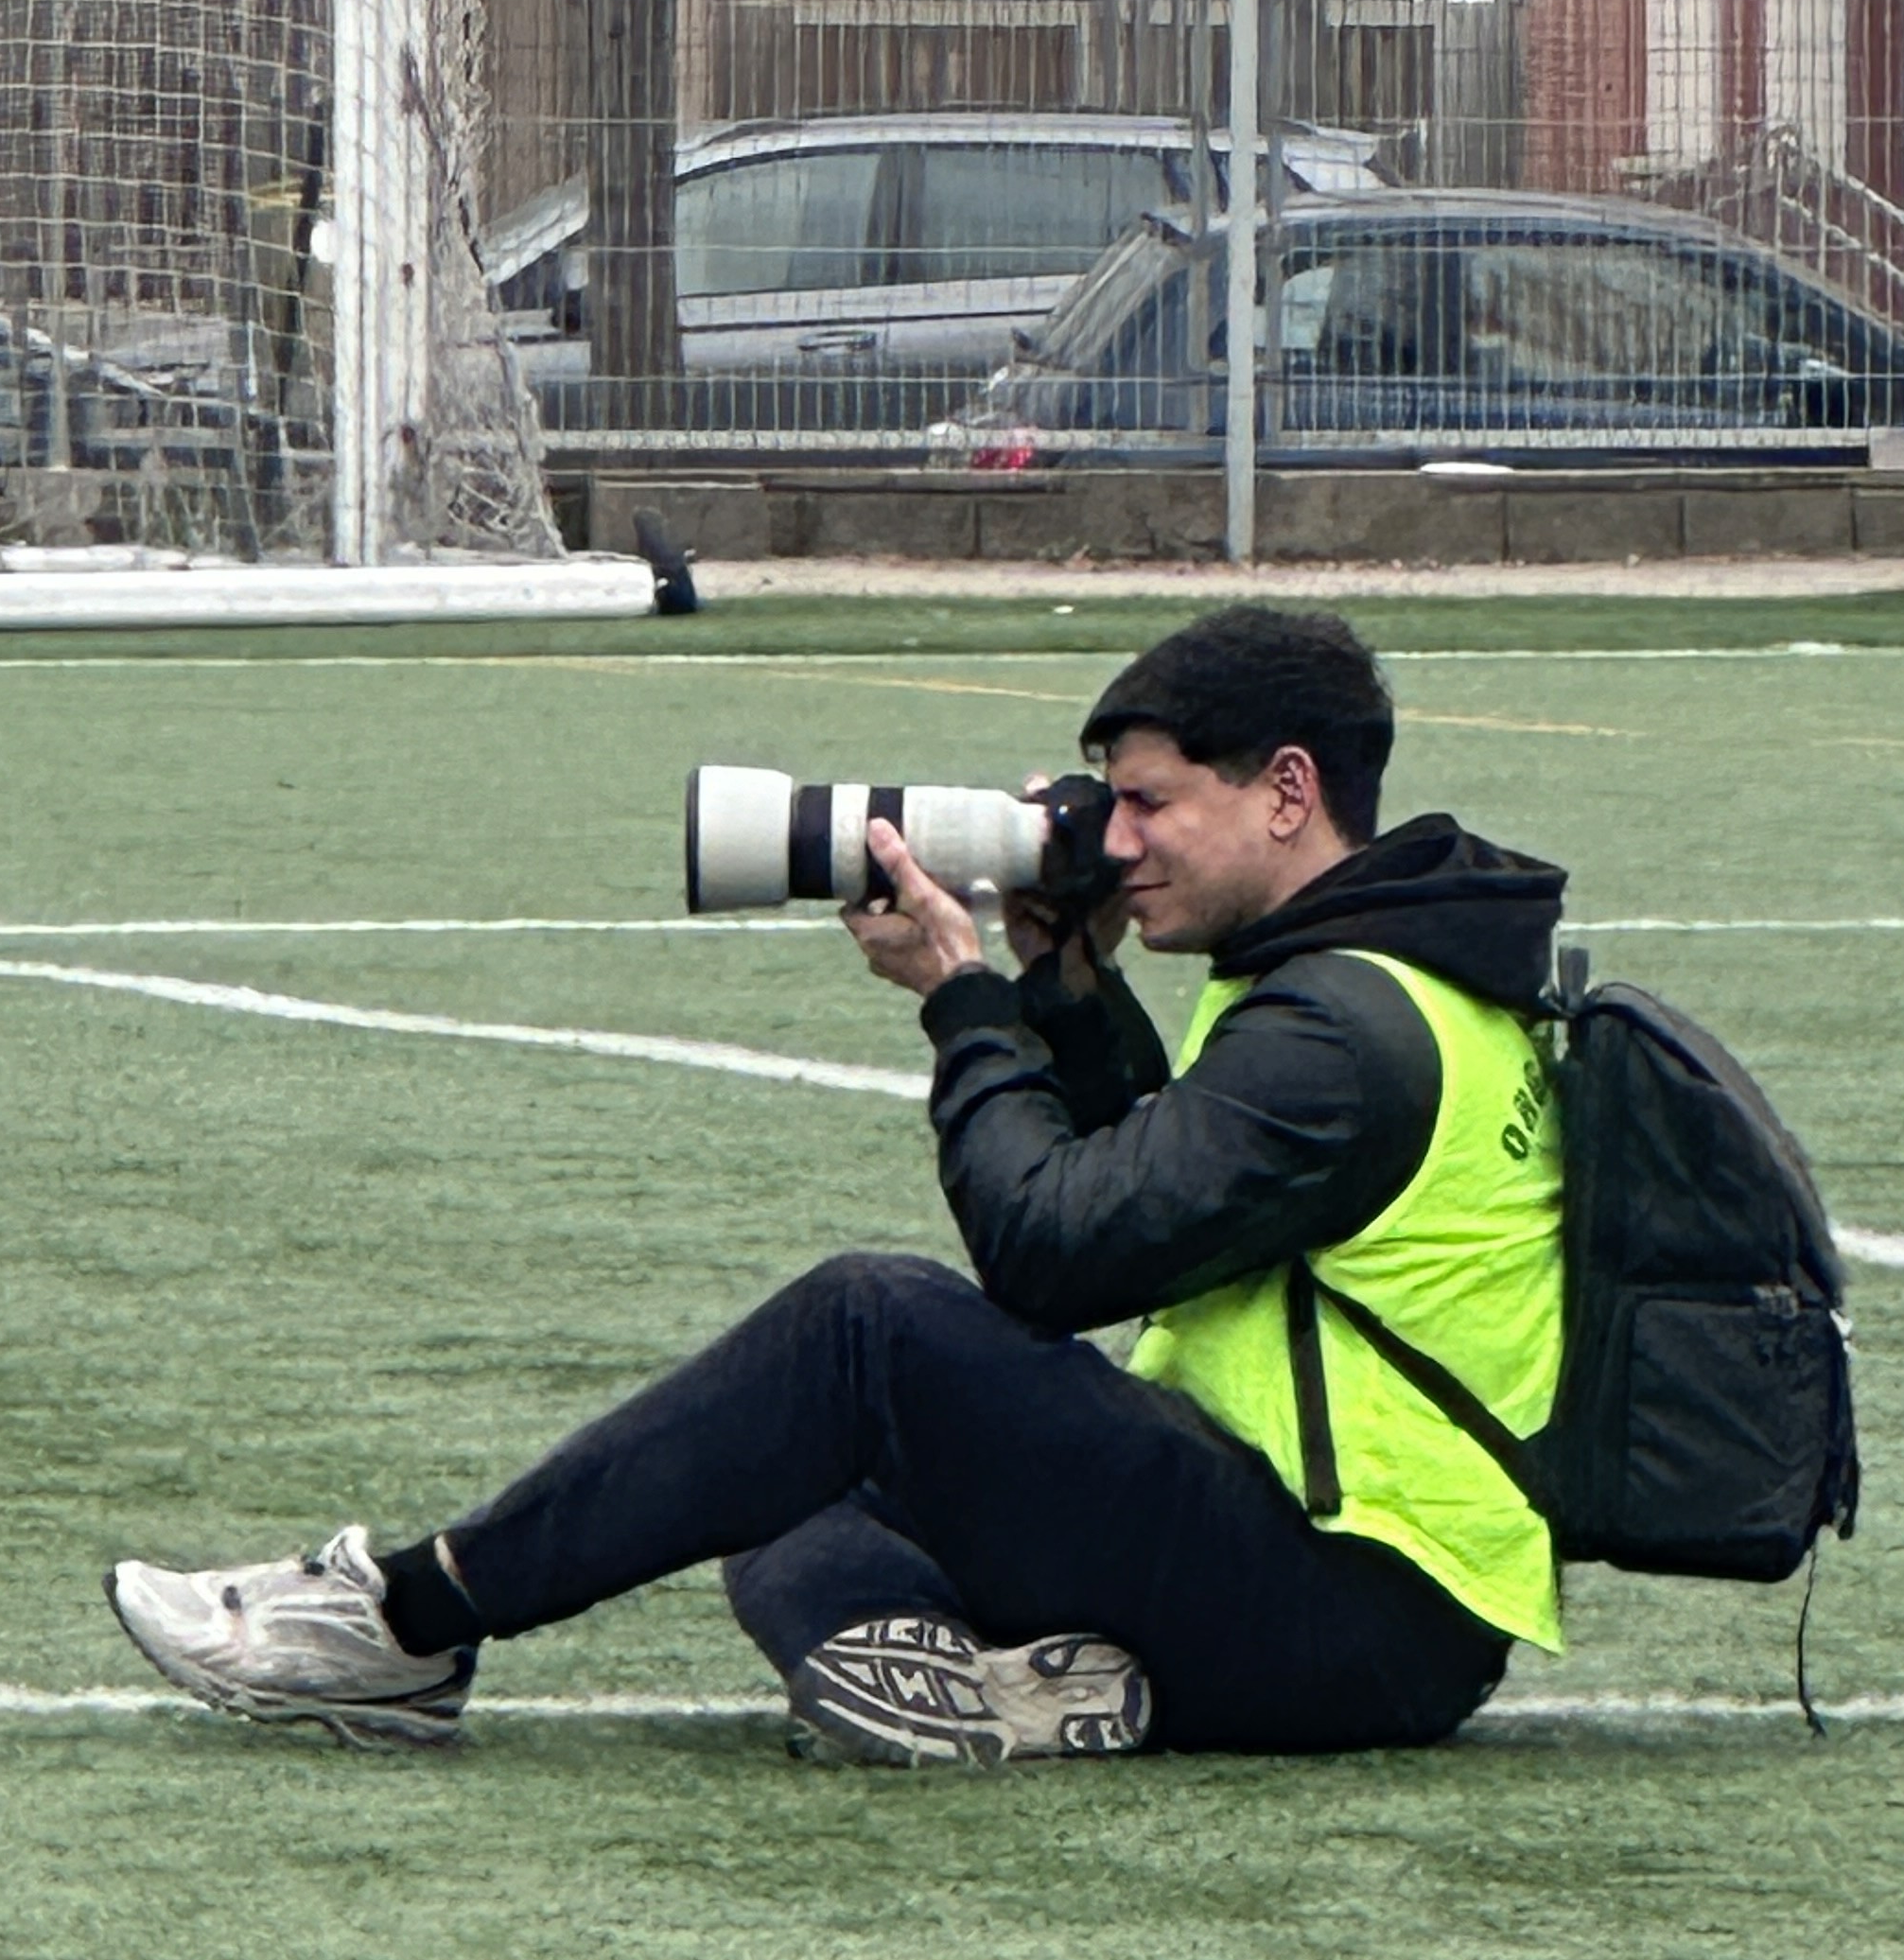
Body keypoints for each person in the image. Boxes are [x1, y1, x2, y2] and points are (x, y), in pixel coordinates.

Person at [106, 604, 1570, 1766]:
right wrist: (1059, 985)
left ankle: (403, 1624)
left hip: (1361, 1608)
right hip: (1317, 1579)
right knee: (788, 1491)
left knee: (864, 1326)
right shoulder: (1377, 987)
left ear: (1287, 793)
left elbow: (1056, 1258)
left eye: (1147, 805)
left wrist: (964, 1003)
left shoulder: (1345, 1030)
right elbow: (1177, 1194)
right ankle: (1015, 1696)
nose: (1113, 845)